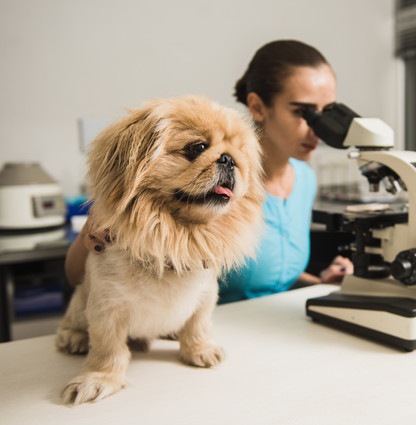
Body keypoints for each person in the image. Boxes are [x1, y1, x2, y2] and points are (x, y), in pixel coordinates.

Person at [64, 39, 353, 303]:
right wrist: (90, 234)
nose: (317, 128)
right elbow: (81, 278)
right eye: (303, 112)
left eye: (326, 113)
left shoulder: (305, 180)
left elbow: (269, 277)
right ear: (257, 106)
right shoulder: (191, 187)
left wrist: (321, 281)